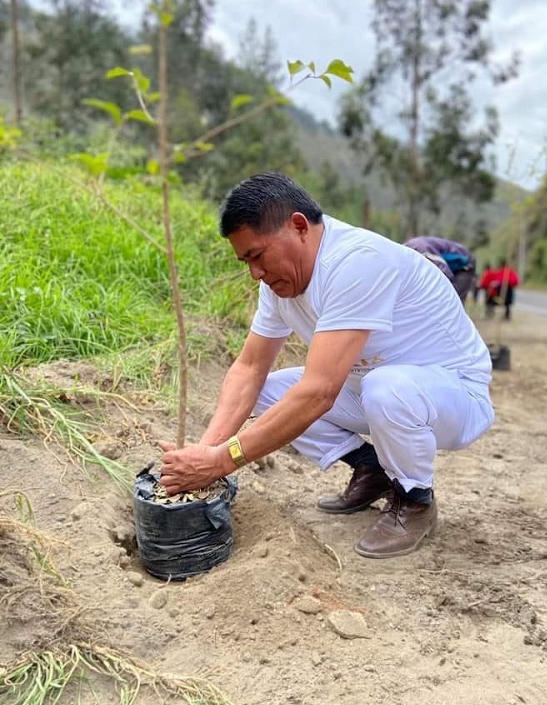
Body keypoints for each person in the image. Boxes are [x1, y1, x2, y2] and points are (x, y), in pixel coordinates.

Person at [159, 172, 495, 559]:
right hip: (376, 392)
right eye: (245, 261)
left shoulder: (357, 262)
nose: (255, 274)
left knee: (384, 389)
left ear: (299, 226)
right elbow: (249, 369)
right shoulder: (279, 285)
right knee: (269, 391)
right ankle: (372, 471)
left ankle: (415, 499)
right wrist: (204, 453)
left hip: (454, 396)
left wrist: (221, 462)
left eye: (257, 256)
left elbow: (320, 391)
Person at [404, 236, 477, 305]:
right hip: (450, 265)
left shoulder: (420, 249)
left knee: (453, 299)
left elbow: (445, 272)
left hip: (464, 263)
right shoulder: (409, 254)